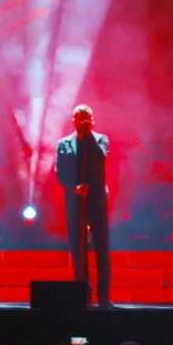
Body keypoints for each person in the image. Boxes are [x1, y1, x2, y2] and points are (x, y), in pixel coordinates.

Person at [56, 105, 113, 307]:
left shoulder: (101, 140)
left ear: (93, 120)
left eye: (87, 118)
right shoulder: (63, 144)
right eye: (80, 118)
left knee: (101, 248)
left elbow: (100, 158)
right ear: (73, 120)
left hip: (96, 200)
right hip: (75, 201)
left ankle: (104, 296)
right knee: (79, 249)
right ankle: (83, 293)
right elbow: (60, 172)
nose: (83, 121)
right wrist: (74, 187)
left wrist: (87, 136)